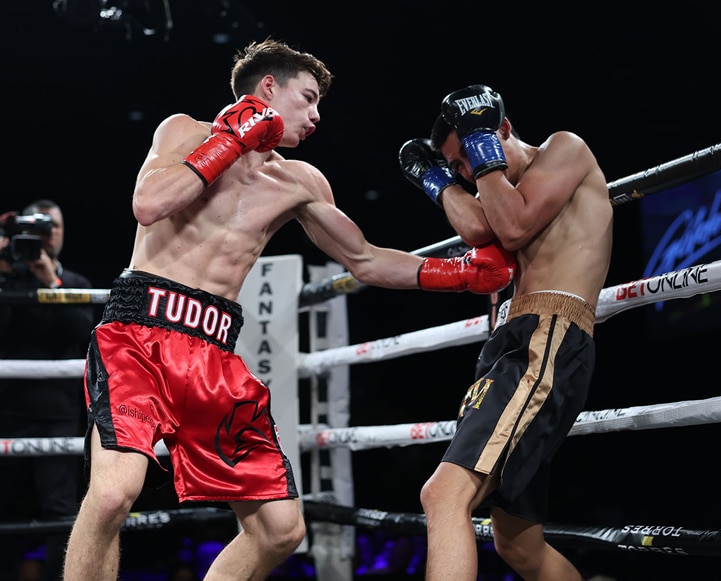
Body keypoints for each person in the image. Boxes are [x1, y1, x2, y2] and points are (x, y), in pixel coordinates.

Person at [62, 39, 516, 580]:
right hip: (138, 332)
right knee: (114, 496)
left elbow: (365, 259)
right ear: (268, 89)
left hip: (212, 354)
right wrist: (229, 141)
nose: (317, 115)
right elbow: (149, 203)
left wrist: (459, 275)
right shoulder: (184, 131)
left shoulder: (299, 182)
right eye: (308, 98)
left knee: (281, 530)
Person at [399, 84, 613, 580]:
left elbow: (512, 229)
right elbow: (477, 230)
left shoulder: (565, 148)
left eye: (471, 155)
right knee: (518, 544)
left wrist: (482, 152)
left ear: (504, 132)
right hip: (514, 343)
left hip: (549, 337)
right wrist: (440, 179)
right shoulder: (494, 194)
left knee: (444, 494)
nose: (470, 173)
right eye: (459, 167)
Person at [0, 199, 96, 581]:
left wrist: (50, 283)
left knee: (59, 512)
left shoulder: (75, 284)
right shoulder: (6, 279)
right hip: (5, 413)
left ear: (61, 233)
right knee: (4, 511)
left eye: (52, 226)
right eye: (38, 228)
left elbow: (82, 337)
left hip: (56, 415)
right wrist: (4, 274)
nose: (47, 234)